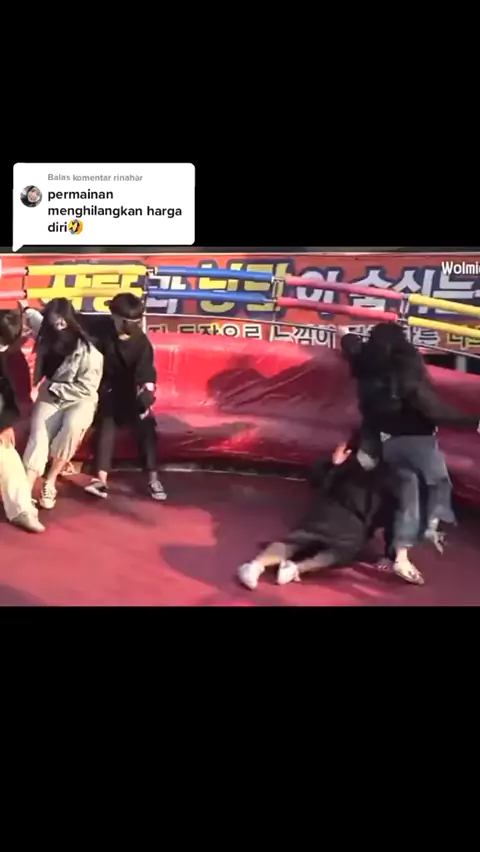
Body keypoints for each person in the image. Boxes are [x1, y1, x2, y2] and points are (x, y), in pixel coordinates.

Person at [341, 322, 480, 584]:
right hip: (415, 443)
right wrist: (475, 422)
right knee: (436, 486)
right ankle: (425, 533)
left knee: (406, 494)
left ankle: (396, 553)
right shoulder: (405, 373)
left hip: (381, 442)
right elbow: (434, 411)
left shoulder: (365, 363)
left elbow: (352, 348)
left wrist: (345, 335)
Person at [237, 441, 396, 590]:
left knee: (297, 540)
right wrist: (390, 553)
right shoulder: (392, 477)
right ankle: (292, 568)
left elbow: (317, 479)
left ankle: (258, 565)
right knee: (338, 550)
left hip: (333, 512)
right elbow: (388, 517)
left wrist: (333, 464)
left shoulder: (357, 457)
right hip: (345, 519)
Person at [20, 297, 104, 510]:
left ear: (70, 319)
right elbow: (35, 319)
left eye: (62, 321)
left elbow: (87, 388)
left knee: (72, 427)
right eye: (54, 320)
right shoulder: (46, 334)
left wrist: (53, 389)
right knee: (39, 435)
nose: (58, 325)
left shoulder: (89, 352)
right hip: (51, 395)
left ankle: (50, 482)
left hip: (80, 398)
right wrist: (26, 308)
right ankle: (26, 489)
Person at [84, 293, 167, 501]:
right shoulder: (100, 328)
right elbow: (72, 321)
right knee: (107, 423)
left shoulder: (141, 343)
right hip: (105, 391)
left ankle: (153, 478)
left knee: (146, 423)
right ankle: (100, 480)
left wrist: (146, 395)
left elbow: (146, 373)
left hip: (131, 393)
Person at [0, 310, 45, 532]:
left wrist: (4, 424)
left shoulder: (8, 357)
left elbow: (10, 395)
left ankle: (21, 510)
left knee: (5, 450)